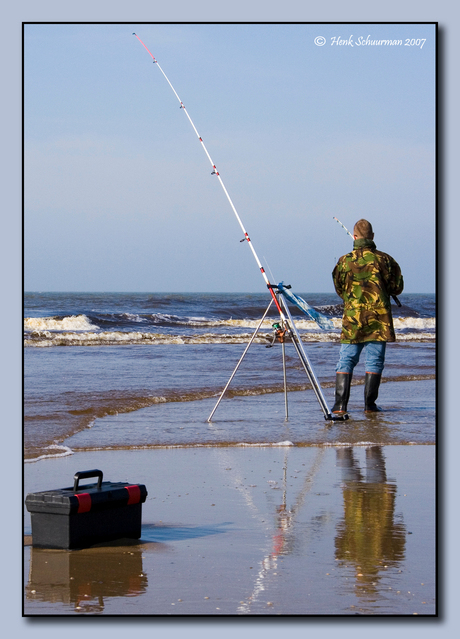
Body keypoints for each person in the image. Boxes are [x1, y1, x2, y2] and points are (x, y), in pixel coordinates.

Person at [331, 219, 404, 414]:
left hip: (353, 319)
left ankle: (339, 405)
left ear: (354, 237)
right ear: (372, 237)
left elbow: (339, 288)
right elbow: (397, 287)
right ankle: (370, 406)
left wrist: (352, 299)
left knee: (346, 360)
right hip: (379, 320)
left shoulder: (344, 260)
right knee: (375, 361)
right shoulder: (386, 260)